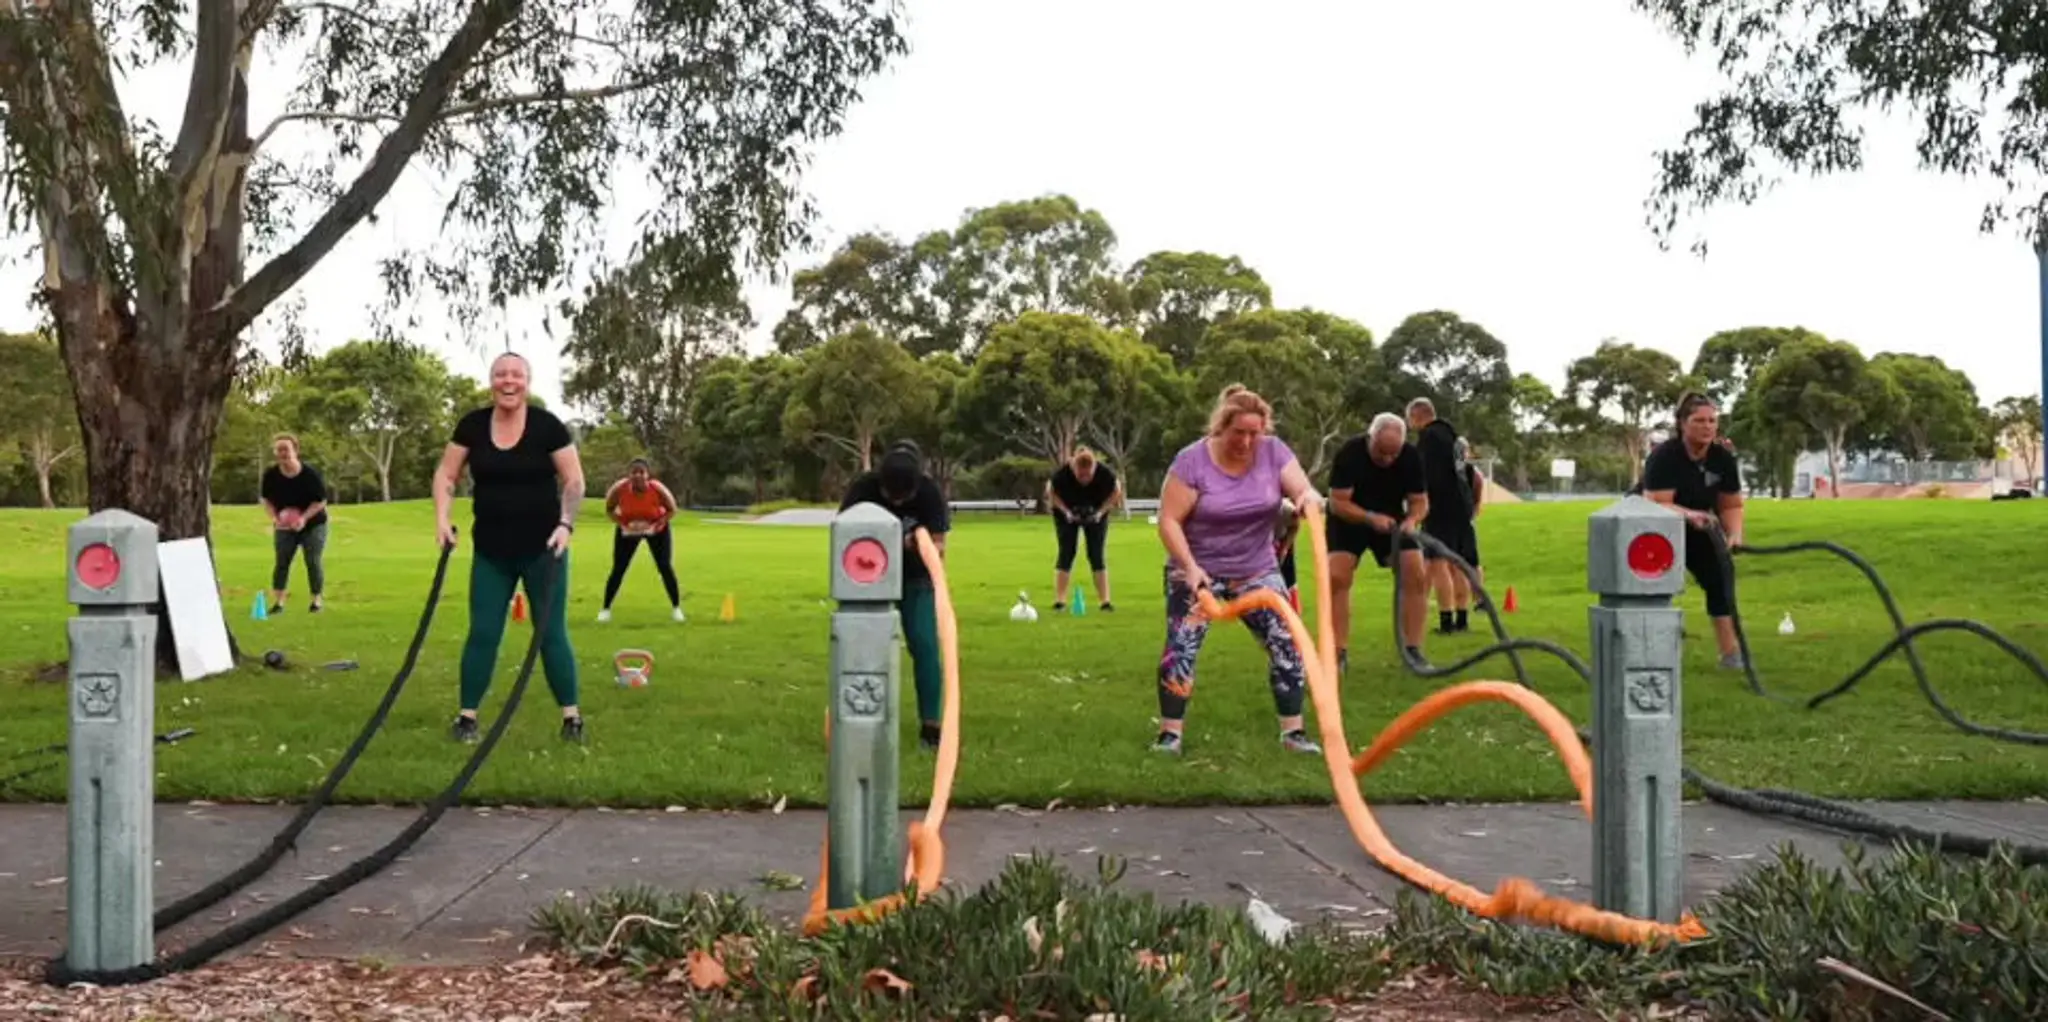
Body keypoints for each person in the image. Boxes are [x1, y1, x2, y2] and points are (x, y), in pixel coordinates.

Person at [1153, 384, 1323, 756]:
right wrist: (1191, 568)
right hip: (1198, 571)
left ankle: (1293, 734)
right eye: (1238, 433)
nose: (1246, 441)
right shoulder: (1191, 462)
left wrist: (1308, 499)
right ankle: (1170, 736)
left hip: (1256, 569)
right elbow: (1168, 521)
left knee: (1287, 641)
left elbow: (1301, 490)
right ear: (1220, 428)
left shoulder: (1274, 453)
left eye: (1254, 433)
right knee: (1182, 647)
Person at [432, 351, 588, 744]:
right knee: (483, 632)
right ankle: (467, 717)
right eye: (501, 374)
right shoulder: (472, 425)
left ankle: (571, 718)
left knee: (550, 632)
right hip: (491, 552)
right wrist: (441, 518)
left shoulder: (547, 427)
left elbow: (574, 481)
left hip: (544, 550)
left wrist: (566, 525)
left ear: (527, 382)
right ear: (491, 381)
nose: (508, 381)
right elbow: (447, 474)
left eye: (516, 375)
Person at [840, 440, 951, 751]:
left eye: (906, 497)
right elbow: (842, 534)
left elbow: (940, 546)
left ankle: (931, 725)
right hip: (869, 580)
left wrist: (914, 545)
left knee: (926, 647)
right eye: (893, 496)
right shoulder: (863, 489)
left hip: (916, 578)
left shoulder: (929, 492)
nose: (899, 502)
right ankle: (862, 718)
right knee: (864, 651)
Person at [1641, 392, 1748, 669]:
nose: (1707, 426)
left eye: (1712, 420)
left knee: (1721, 580)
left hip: (1700, 528)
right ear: (1682, 424)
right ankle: (1648, 650)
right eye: (1699, 420)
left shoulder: (1722, 458)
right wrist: (1688, 515)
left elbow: (1730, 505)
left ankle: (1731, 654)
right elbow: (1657, 504)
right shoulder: (1664, 457)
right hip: (1652, 528)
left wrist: (1735, 534)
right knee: (1652, 589)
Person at [1326, 412, 1432, 671]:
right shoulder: (1350, 453)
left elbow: (1420, 502)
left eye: (1393, 454)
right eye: (1381, 452)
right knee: (1337, 577)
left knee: (1415, 573)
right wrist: (1370, 517)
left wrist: (1412, 521)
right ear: (1370, 437)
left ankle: (1412, 650)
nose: (1387, 460)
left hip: (1392, 522)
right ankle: (1338, 651)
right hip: (1349, 519)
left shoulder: (1410, 456)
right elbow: (1337, 502)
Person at [1406, 398, 1476, 636]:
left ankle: (1446, 620)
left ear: (1417, 416)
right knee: (1459, 564)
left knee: (1438, 563)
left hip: (1440, 507)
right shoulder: (1453, 437)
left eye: (1410, 419)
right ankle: (1462, 618)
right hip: (1461, 506)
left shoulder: (1429, 438)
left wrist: (1418, 503)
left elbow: (1425, 475)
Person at [598, 458, 684, 623]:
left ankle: (676, 608)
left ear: (647, 475)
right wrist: (624, 525)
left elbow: (672, 510)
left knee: (664, 566)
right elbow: (609, 509)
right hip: (630, 528)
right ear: (629, 475)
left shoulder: (657, 488)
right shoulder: (619, 489)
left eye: (641, 472)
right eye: (634, 472)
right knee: (619, 568)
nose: (637, 475)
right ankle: (605, 609)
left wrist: (657, 526)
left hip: (655, 528)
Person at [259, 433, 330, 615]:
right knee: (282, 561)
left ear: (295, 450)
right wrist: (275, 518)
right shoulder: (271, 475)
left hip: (313, 523)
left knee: (312, 560)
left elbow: (320, 501)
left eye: (286, 449)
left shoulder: (309, 474)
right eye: (279, 449)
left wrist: (303, 518)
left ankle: (316, 601)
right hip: (284, 525)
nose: (283, 453)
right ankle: (279, 603)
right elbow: (266, 500)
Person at [1045, 447, 1122, 612]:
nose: (1085, 480)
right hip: (1066, 513)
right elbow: (1051, 493)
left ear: (1094, 467)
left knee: (1096, 554)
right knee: (1066, 552)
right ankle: (1060, 601)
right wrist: (1065, 512)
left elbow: (1116, 491)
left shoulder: (1105, 473)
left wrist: (1101, 512)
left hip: (1096, 513)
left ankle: (1105, 601)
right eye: (1081, 476)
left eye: (1088, 475)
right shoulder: (1062, 474)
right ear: (1074, 468)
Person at [1441, 438, 1486, 628]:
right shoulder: (1473, 473)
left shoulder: (1441, 472)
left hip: (1444, 525)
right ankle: (1469, 608)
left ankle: (1451, 614)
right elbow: (1476, 503)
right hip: (1464, 524)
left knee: (1448, 567)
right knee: (1467, 565)